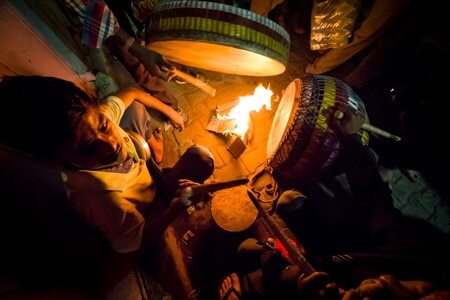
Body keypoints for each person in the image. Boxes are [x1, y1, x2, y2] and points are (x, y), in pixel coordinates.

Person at [216, 103, 450, 299]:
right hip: (346, 249)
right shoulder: (424, 256)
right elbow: (376, 204)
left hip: (327, 274)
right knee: (289, 201)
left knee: (251, 255)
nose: (379, 284)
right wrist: (351, 139)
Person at [0, 75, 214, 256]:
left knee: (141, 114)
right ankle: (158, 166)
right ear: (59, 160)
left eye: (104, 126)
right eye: (88, 148)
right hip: (150, 213)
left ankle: (154, 155)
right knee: (198, 165)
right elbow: (138, 244)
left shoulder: (94, 118)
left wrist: (170, 112)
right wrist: (175, 207)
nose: (111, 145)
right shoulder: (100, 198)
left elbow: (131, 92)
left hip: (144, 171)